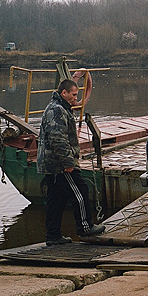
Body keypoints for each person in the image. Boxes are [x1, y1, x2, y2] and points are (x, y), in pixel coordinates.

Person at [37, 78, 105, 245]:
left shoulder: (61, 108)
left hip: (52, 164)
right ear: (64, 93)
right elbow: (57, 139)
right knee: (80, 191)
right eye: (73, 94)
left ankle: (53, 236)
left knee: (56, 199)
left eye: (77, 94)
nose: (76, 98)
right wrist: (68, 162)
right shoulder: (57, 110)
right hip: (59, 165)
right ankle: (85, 228)